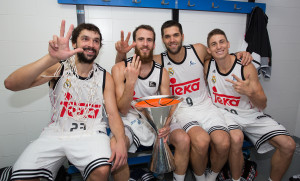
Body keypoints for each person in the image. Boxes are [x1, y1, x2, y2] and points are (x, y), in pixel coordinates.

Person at [115, 20, 252, 181]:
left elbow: (219, 53)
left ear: (182, 36)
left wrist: (239, 54)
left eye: (175, 35)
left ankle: (209, 177)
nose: (172, 39)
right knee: (201, 142)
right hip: (174, 112)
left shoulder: (197, 50)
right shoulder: (156, 61)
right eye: (167, 36)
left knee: (222, 142)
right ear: (162, 40)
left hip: (203, 107)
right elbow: (123, 70)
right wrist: (122, 55)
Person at [4, 20, 127, 181]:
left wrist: (120, 141)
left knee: (102, 171)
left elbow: (112, 114)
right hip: (57, 131)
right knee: (21, 176)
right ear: (74, 42)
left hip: (91, 133)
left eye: (96, 41)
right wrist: (50, 58)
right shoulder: (59, 68)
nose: (91, 44)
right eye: (85, 39)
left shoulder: (105, 76)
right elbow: (11, 84)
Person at [205, 28, 296, 181]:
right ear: (209, 49)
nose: (218, 46)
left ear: (228, 44)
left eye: (221, 42)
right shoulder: (208, 66)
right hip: (225, 114)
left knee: (288, 145)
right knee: (237, 138)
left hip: (250, 114)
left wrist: (250, 92)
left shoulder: (245, 66)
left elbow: (263, 103)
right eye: (213, 44)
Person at [112, 24, 190, 181]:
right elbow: (123, 109)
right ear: (134, 43)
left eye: (149, 40)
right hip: (131, 119)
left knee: (184, 139)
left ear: (154, 44)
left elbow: (168, 104)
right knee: (116, 147)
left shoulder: (162, 71)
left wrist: (166, 126)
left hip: (156, 118)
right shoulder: (120, 69)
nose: (145, 43)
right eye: (141, 39)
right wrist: (130, 83)